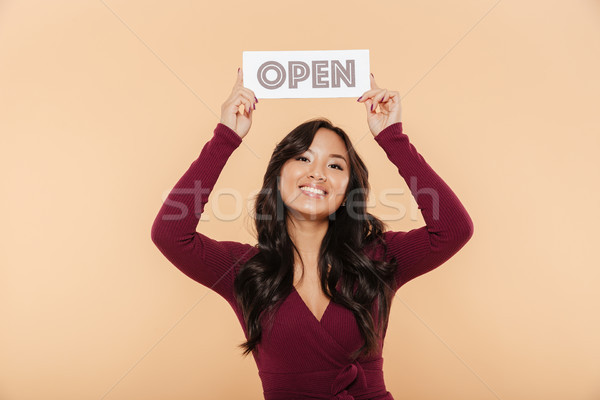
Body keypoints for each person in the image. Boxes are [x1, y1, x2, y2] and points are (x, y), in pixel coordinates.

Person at [151, 67, 474, 400]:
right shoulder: (246, 269)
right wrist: (226, 136)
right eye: (303, 158)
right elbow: (169, 234)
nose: (317, 173)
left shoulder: (378, 258)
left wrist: (392, 136)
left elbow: (453, 230)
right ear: (278, 175)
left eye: (335, 165)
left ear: (349, 188)